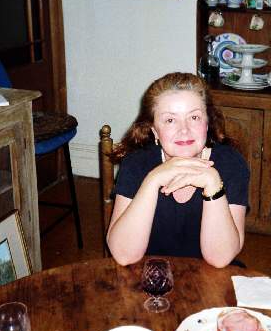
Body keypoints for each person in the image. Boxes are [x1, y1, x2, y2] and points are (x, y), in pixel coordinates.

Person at [106, 72, 249, 268]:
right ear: (155, 131)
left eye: (194, 117)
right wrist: (152, 180)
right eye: (170, 120)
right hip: (150, 278)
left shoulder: (231, 163)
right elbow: (124, 255)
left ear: (207, 124)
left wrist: (213, 184)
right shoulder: (137, 162)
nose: (184, 129)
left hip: (211, 279)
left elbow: (220, 259)